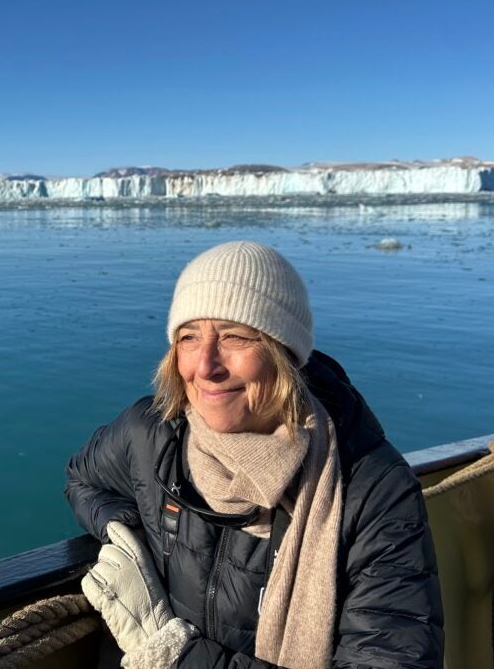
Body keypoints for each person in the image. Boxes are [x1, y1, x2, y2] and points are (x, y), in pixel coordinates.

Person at [65, 241, 444, 669]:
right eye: (189, 337)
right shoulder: (152, 432)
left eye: (235, 336)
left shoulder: (370, 489)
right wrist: (130, 539)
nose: (206, 365)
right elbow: (84, 479)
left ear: (284, 353)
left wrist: (171, 652)